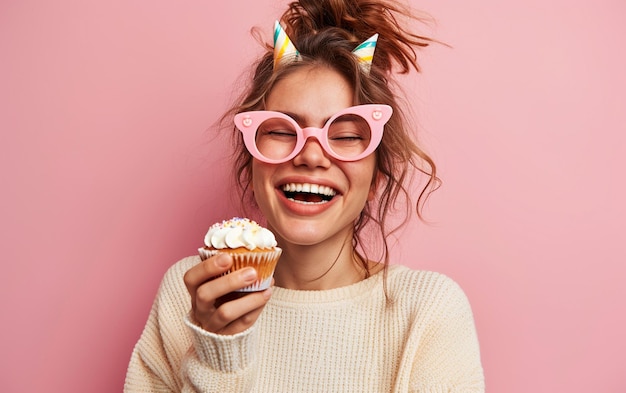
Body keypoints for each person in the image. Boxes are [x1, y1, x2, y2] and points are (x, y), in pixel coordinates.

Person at [124, 0, 484, 391]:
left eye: (346, 137)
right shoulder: (189, 294)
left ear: (376, 175)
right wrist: (220, 354)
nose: (311, 155)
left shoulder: (427, 312)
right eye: (281, 132)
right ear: (252, 159)